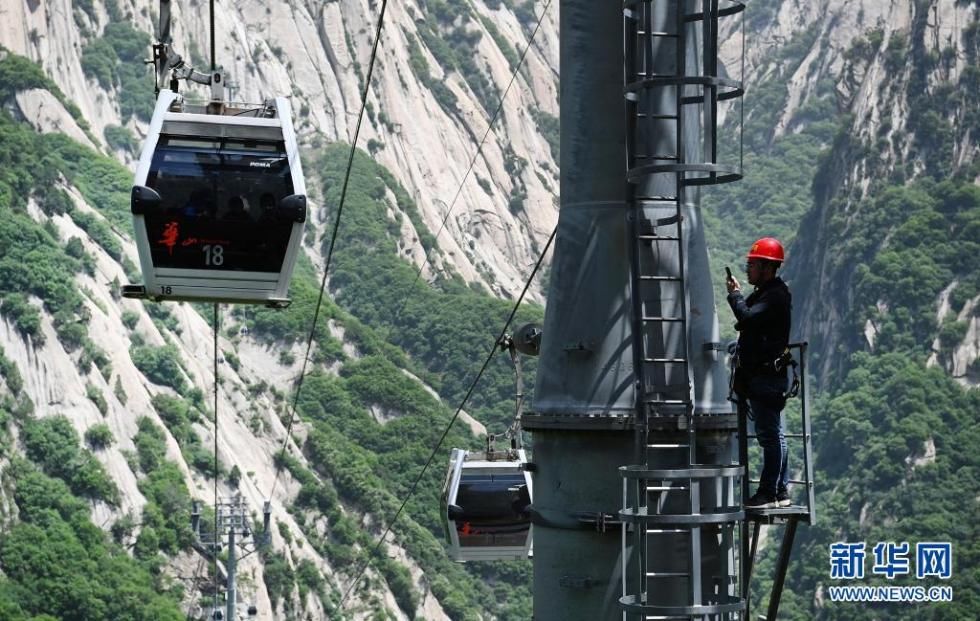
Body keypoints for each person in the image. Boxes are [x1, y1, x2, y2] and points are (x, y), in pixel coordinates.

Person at [726, 237, 792, 509]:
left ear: (767, 267)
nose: (747, 269)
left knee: (769, 435)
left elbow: (747, 318)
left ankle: (768, 493)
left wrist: (734, 296)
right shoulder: (766, 292)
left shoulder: (775, 295)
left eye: (752, 265)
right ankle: (780, 491)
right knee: (774, 434)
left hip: (767, 378)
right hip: (764, 377)